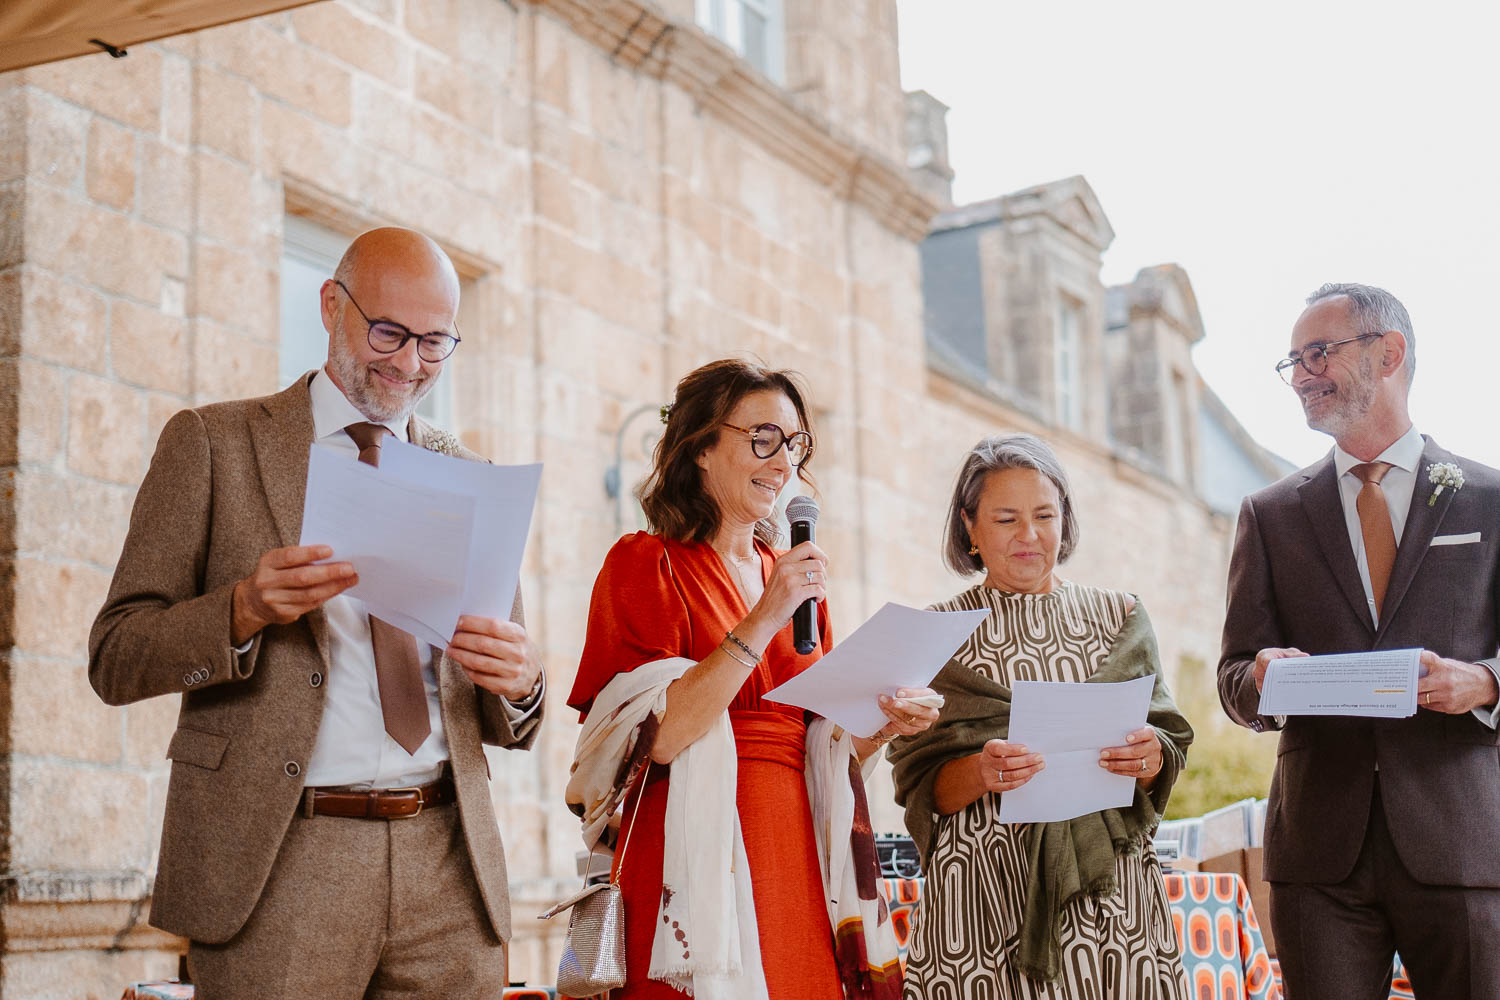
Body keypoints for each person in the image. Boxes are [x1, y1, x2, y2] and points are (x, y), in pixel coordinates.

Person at [88, 228, 544, 998]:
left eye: (436, 343)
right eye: (389, 332)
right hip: (279, 861)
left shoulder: (469, 476)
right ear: (331, 305)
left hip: (449, 867)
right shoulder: (213, 443)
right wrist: (241, 609)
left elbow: (508, 704)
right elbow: (116, 655)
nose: (408, 364)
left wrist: (523, 682)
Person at [564, 358, 940, 1000]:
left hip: (793, 842)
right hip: (689, 851)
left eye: (793, 443)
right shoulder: (646, 563)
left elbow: (823, 745)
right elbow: (657, 736)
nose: (782, 461)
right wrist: (767, 613)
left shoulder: (797, 579)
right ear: (702, 446)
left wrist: (881, 727)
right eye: (762, 437)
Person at [1218, 282, 1500, 998]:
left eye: (1319, 352)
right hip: (1320, 856)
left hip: (1462, 839)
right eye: (1293, 361)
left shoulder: (1489, 501)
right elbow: (1232, 675)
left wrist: (1486, 682)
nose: (1303, 375)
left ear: (1390, 352)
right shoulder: (1270, 514)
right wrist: (1259, 676)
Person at [889, 433, 1193, 999]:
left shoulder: (1118, 616)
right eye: (1006, 519)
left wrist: (1149, 757)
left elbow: (1165, 751)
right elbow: (919, 785)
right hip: (981, 901)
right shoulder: (933, 634)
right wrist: (980, 772)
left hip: (1109, 904)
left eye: (1045, 515)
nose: (1029, 536)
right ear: (969, 528)